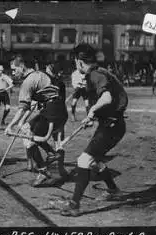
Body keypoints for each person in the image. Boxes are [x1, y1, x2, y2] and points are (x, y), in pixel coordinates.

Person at [52, 43, 128, 217]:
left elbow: (107, 97)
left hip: (112, 127)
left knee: (84, 161)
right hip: (111, 124)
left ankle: (74, 206)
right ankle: (114, 190)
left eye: (75, 62)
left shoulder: (95, 74)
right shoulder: (98, 72)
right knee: (96, 160)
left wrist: (93, 111)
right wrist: (92, 116)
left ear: (79, 62)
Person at [4, 55, 69, 187]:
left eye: (14, 69)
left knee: (28, 139)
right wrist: (21, 122)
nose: (13, 72)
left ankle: (43, 170)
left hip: (52, 112)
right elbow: (30, 106)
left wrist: (10, 126)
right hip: (57, 110)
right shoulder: (41, 75)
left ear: (21, 66)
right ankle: (50, 156)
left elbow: (22, 108)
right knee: (27, 129)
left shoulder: (28, 81)